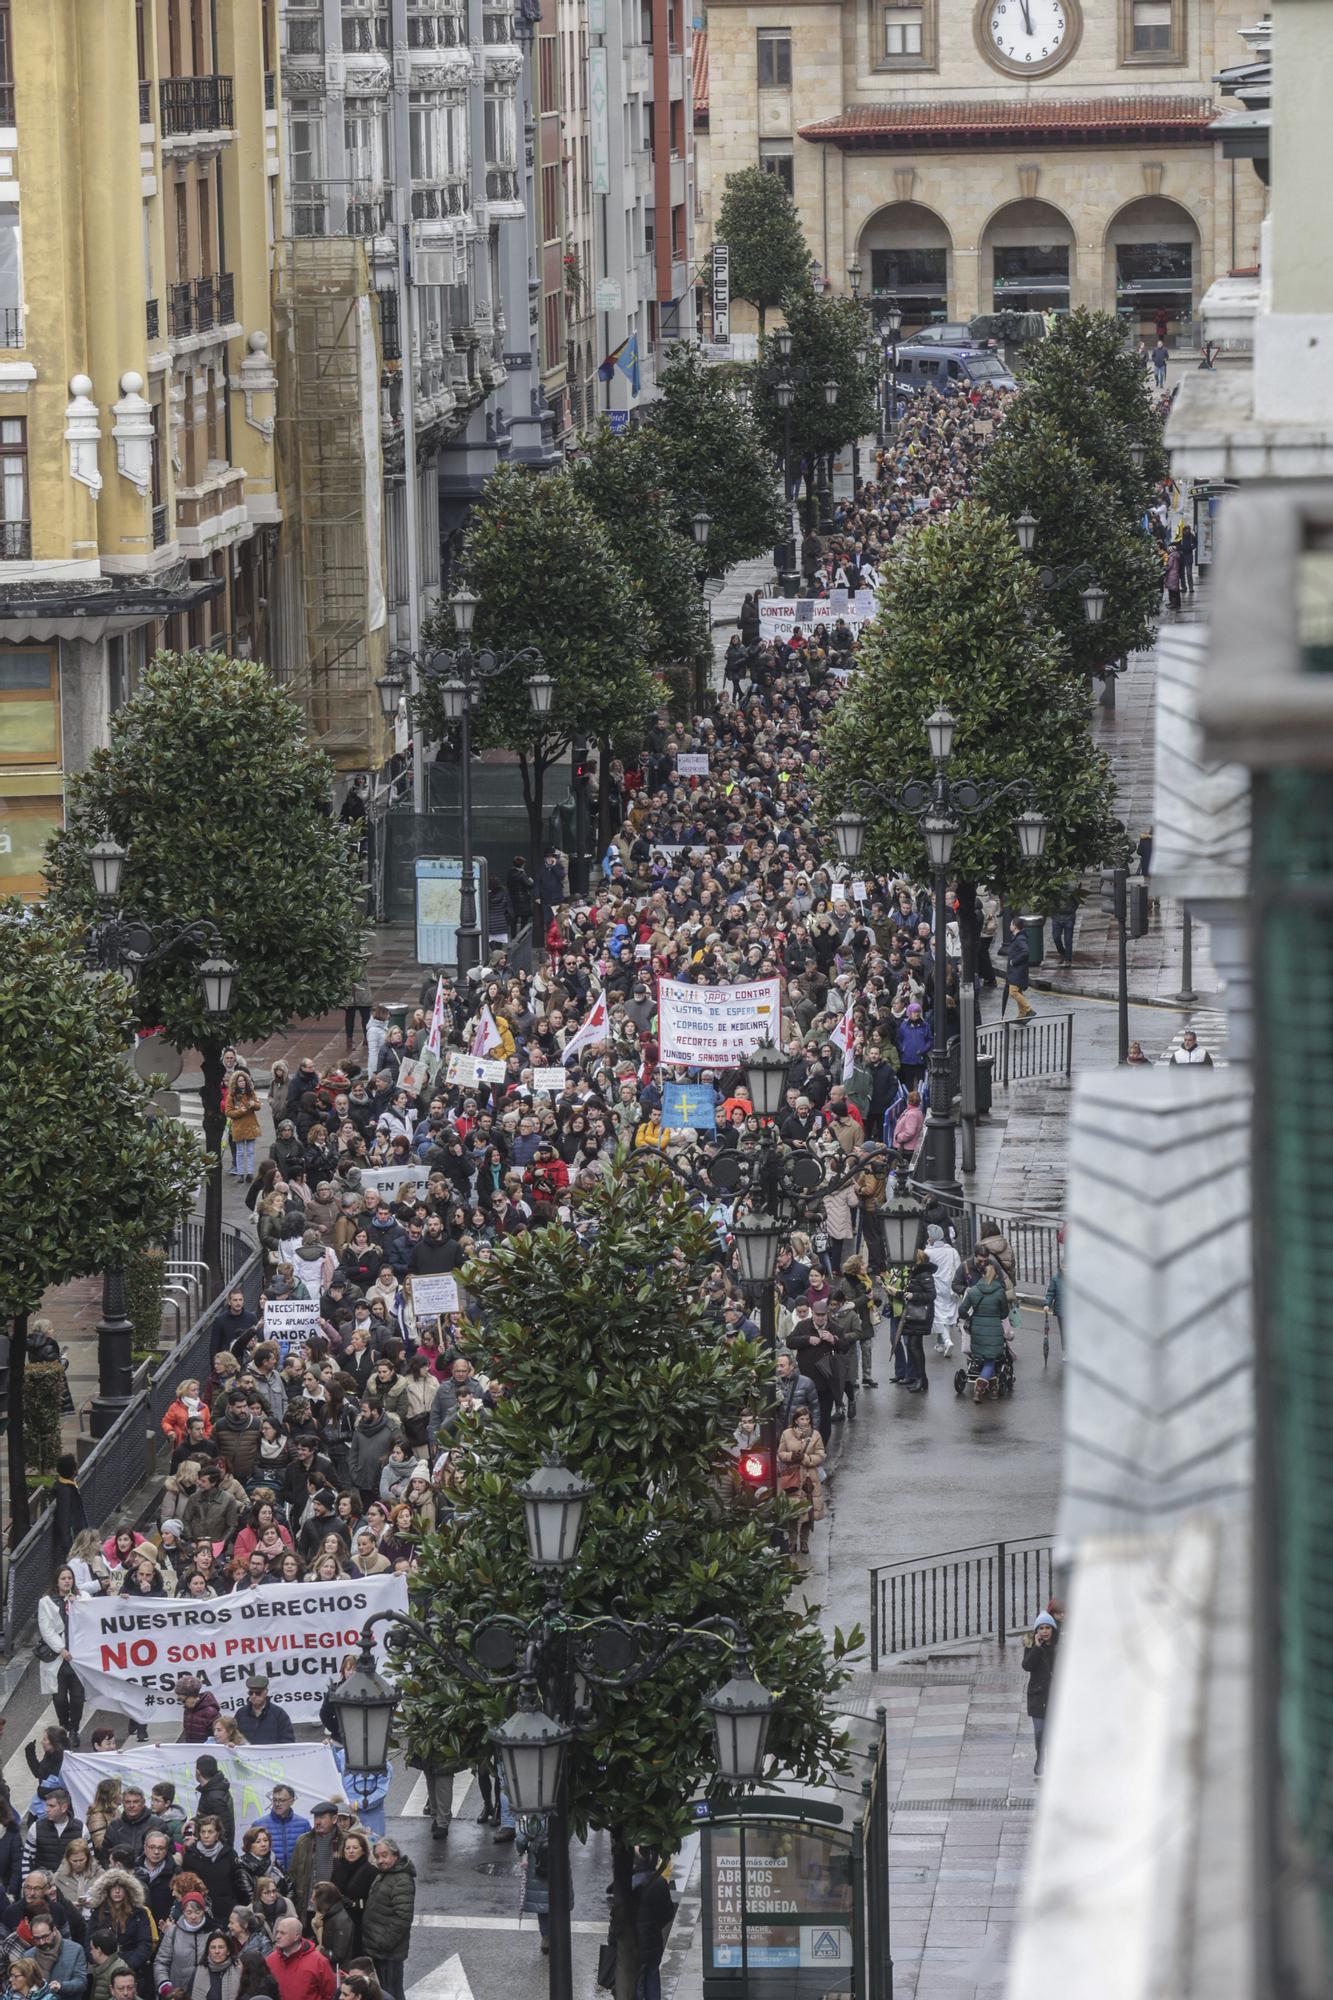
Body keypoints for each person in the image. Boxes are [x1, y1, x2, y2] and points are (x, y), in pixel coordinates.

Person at [37, 1570, 86, 1750]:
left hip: (78, 1658)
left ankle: (74, 1730)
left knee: (78, 1698)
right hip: (58, 1658)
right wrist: (61, 1649)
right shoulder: (46, 1602)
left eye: (70, 1578)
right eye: (63, 1578)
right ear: (57, 1581)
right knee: (59, 1699)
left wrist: (77, 1605)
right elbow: (46, 1629)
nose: (67, 1581)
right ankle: (64, 1725)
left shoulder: (81, 1598)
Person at [360, 1843, 414, 2000]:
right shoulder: (385, 1874)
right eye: (377, 1856)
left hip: (389, 1953)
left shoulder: (402, 1879)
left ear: (395, 1855)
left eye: (385, 1855)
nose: (380, 1860)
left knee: (392, 1993)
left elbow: (403, 1919)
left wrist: (382, 1943)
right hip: (380, 1950)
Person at [958, 1260, 1012, 1402]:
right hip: (994, 1328)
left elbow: (962, 1310)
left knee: (988, 1359)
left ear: (981, 1273)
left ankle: (994, 1390)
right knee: (990, 1360)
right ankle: (978, 1390)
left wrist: (970, 1317)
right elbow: (1005, 1313)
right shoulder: (999, 1292)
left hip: (977, 1329)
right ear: (996, 1275)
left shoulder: (974, 1290)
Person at [776, 1405, 825, 1557]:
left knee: (808, 1511)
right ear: (796, 1420)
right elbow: (780, 1453)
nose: (805, 1422)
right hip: (793, 1477)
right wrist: (791, 1457)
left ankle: (804, 1541)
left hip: (809, 1478)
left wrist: (806, 1458)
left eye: (807, 1419)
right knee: (793, 1511)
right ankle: (792, 1541)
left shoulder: (815, 1435)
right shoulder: (786, 1433)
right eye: (802, 1419)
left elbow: (821, 1455)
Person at [631, 1849, 674, 2000]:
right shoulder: (659, 1882)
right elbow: (668, 1913)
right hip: (653, 1941)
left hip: (633, 1943)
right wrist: (655, 1926)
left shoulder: (629, 1882)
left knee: (637, 1982)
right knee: (652, 1976)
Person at [1021, 1619, 1058, 1776]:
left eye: (1047, 1628)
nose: (1045, 1631)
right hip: (1038, 1697)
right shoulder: (1032, 1646)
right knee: (1039, 1732)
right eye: (1041, 1628)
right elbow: (1027, 1666)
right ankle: (1040, 1756)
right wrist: (1036, 1647)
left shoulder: (1059, 1646)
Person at [264, 1918, 334, 2000]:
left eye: (283, 1933)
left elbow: (329, 1994)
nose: (277, 1936)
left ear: (296, 1936)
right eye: (277, 1932)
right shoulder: (270, 1960)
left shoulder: (319, 1961)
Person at [898, 1249, 936, 1394]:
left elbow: (932, 1295)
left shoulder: (923, 1275)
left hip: (920, 1315)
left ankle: (921, 1379)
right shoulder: (918, 1274)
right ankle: (922, 1379)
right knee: (915, 1346)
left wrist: (913, 1295)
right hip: (916, 1314)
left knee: (914, 1346)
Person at [191, 1932, 242, 2000]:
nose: (217, 1951)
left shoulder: (238, 1970)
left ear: (228, 1951)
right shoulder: (199, 1972)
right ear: (208, 1951)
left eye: (221, 1947)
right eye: (213, 1947)